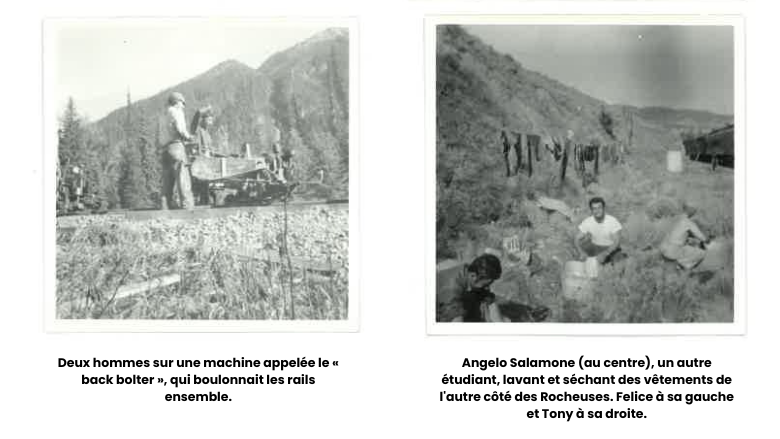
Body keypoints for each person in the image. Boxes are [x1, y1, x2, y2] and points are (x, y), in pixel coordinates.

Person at [442, 254, 549, 323]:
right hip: (438, 309)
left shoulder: (472, 272)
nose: (487, 287)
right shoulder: (451, 290)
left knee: (490, 309)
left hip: (458, 298)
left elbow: (488, 300)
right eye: (485, 284)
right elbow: (456, 323)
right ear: (473, 276)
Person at [159, 91, 194, 210]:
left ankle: (165, 209)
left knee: (167, 183)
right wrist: (189, 137)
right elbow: (180, 129)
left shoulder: (162, 115)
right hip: (176, 147)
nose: (183, 106)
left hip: (164, 150)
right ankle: (187, 208)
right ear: (177, 102)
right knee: (183, 178)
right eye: (183, 103)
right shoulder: (176, 112)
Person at [575, 197, 624, 265]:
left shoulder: (612, 221)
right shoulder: (588, 221)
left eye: (599, 208)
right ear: (591, 210)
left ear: (604, 208)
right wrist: (581, 252)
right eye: (594, 208)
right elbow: (576, 239)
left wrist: (605, 253)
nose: (597, 210)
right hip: (596, 247)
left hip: (611, 248)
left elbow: (616, 242)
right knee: (584, 256)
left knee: (619, 263)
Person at [660, 204, 711, 269]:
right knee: (702, 253)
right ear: (690, 210)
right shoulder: (687, 222)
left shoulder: (675, 218)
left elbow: (676, 233)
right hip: (673, 251)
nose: (695, 212)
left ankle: (679, 267)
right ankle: (681, 267)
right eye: (694, 210)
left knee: (687, 246)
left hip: (663, 248)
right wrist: (707, 240)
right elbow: (701, 237)